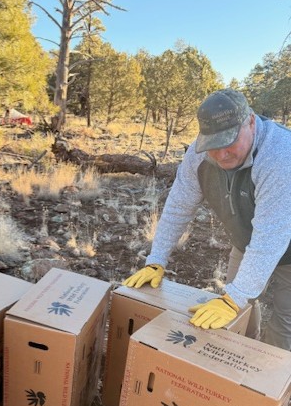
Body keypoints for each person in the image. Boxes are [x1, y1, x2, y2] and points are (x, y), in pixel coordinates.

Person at [124, 88, 291, 350]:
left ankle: (274, 373)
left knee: (284, 324)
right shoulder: (199, 153)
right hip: (247, 241)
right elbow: (178, 206)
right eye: (214, 144)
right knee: (240, 309)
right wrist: (156, 259)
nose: (221, 154)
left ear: (250, 122)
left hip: (282, 239)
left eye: (229, 141)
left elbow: (270, 236)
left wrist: (234, 298)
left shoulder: (280, 155)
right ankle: (242, 354)